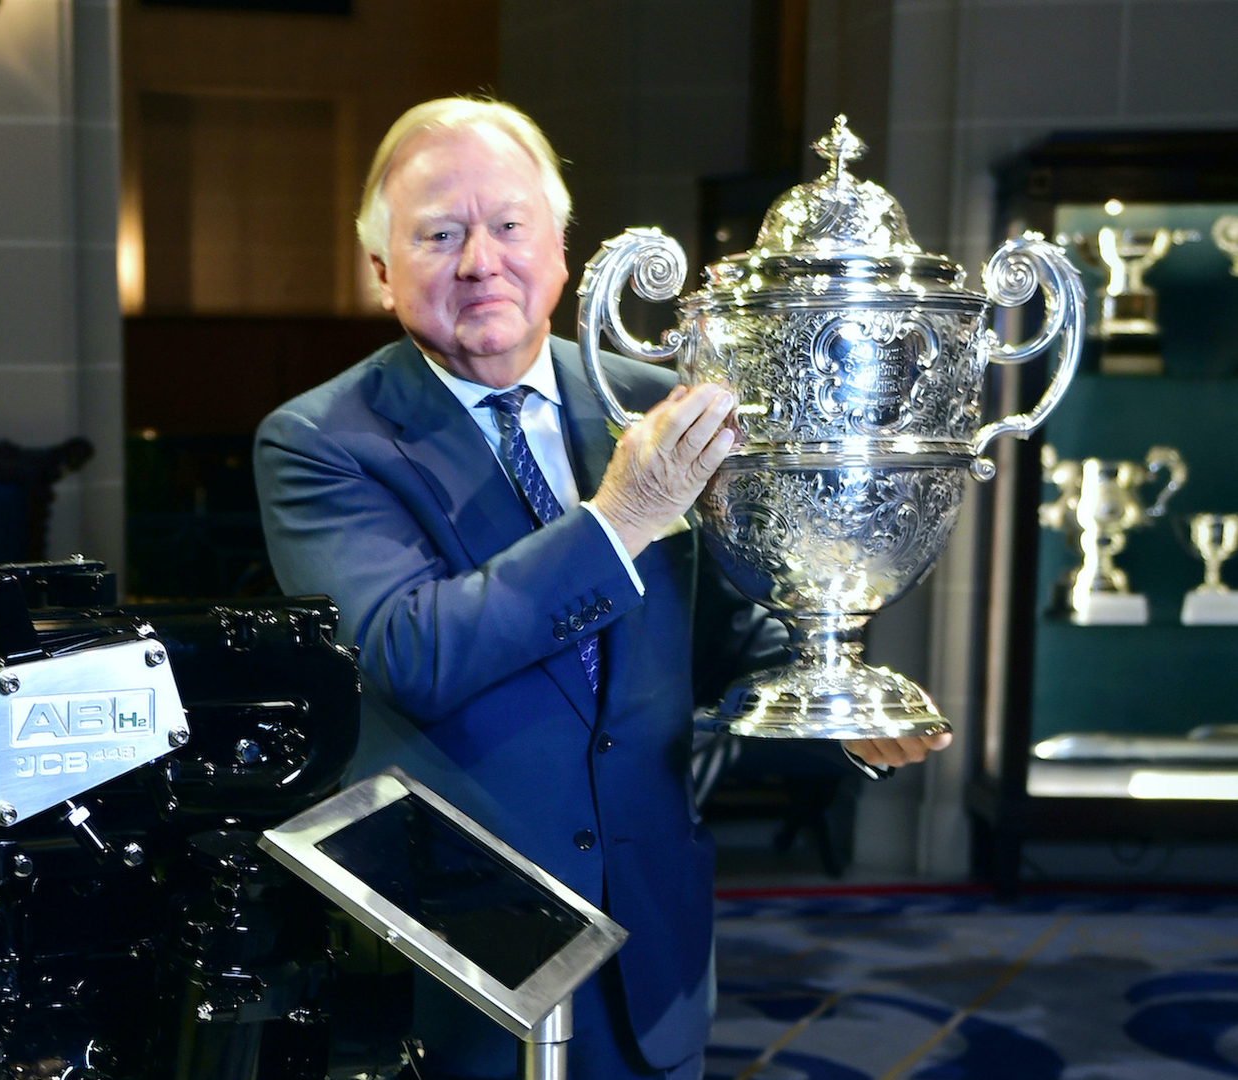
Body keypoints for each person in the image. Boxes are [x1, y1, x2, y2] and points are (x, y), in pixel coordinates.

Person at [252, 97, 949, 1080]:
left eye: (507, 225)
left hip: (652, 932)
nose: (479, 261)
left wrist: (826, 694)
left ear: (562, 248)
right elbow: (410, 652)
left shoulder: (658, 399)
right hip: (464, 949)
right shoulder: (322, 441)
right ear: (380, 271)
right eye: (439, 234)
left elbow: (735, 615)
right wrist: (621, 516)